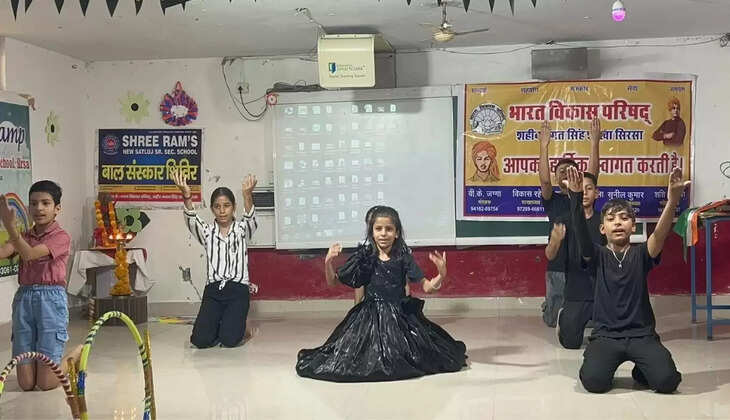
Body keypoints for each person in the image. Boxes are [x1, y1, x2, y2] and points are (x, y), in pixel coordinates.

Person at [296, 206, 466, 382]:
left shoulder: (403, 258)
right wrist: (328, 262)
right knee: (352, 357)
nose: (383, 233)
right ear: (372, 232)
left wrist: (441, 275)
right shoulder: (364, 257)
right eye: (378, 229)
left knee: (413, 355)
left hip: (400, 315)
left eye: (389, 229)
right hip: (370, 316)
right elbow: (333, 282)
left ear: (397, 233)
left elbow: (428, 287)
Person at [566, 166, 687, 393]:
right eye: (611, 219)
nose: (618, 223)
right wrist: (574, 197)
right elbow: (581, 233)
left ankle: (642, 370)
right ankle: (608, 365)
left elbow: (659, 235)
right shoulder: (597, 255)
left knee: (667, 382)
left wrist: (672, 200)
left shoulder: (642, 254)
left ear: (633, 226)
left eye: (624, 218)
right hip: (606, 336)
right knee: (594, 383)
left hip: (641, 335)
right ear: (603, 228)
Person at [0, 180, 82, 392]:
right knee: (26, 384)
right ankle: (41, 365)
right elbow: (3, 252)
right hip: (24, 299)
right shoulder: (24, 236)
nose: (39, 208)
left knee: (46, 384)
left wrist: (10, 228)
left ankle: (75, 355)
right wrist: (12, 231)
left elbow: (29, 254)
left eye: (46, 203)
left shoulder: (61, 237)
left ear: (57, 208)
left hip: (50, 300)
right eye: (34, 203)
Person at [171, 169, 259, 348]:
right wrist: (186, 195)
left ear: (234, 207)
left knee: (229, 341)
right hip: (213, 291)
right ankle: (221, 322)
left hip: (238, 291)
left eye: (226, 205)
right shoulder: (207, 232)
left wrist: (247, 195)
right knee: (200, 341)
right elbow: (191, 219)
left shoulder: (242, 230)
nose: (222, 211)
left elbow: (250, 218)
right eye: (217, 206)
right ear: (212, 209)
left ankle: (240, 325)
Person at [539, 117, 601, 327]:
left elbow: (592, 174)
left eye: (570, 171)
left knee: (588, 321)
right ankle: (549, 306)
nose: (566, 174)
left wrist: (594, 142)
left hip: (583, 266)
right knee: (554, 321)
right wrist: (543, 146)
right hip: (558, 266)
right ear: (557, 179)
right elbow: (544, 181)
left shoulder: (585, 197)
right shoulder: (553, 201)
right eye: (561, 172)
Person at [547, 172, 606, 349]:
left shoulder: (605, 220)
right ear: (573, 192)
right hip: (576, 291)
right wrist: (555, 240)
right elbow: (549, 255)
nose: (585, 193)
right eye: (581, 189)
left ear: (597, 193)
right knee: (571, 343)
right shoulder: (563, 220)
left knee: (608, 341)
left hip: (602, 291)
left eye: (589, 188)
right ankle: (564, 316)